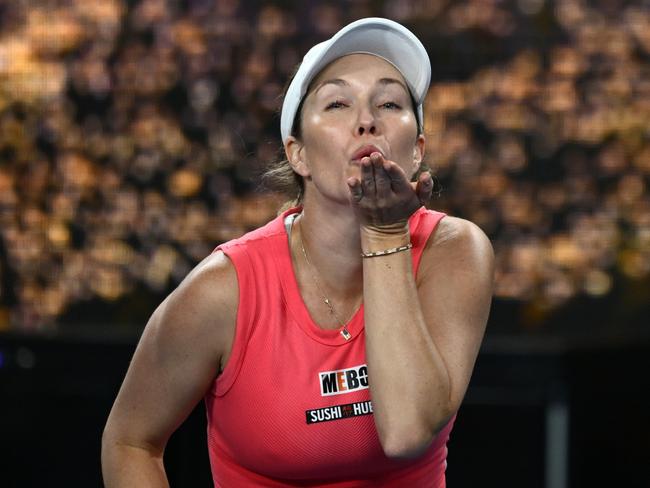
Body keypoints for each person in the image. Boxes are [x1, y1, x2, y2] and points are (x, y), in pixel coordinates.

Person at [101, 17, 494, 487]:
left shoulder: (453, 253)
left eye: (389, 102)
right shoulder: (225, 290)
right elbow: (130, 441)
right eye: (337, 103)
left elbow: (406, 432)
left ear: (417, 152)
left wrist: (385, 232)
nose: (366, 120)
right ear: (298, 155)